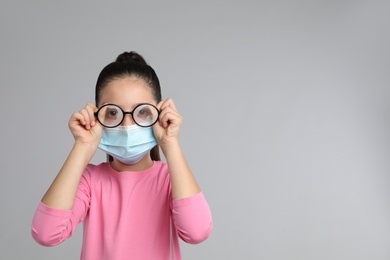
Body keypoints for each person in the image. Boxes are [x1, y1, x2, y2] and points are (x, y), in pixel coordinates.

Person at [31, 51, 213, 260]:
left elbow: (197, 232)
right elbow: (46, 234)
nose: (127, 125)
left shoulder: (171, 179)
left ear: (159, 115)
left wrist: (170, 144)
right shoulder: (89, 182)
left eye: (142, 112)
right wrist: (83, 145)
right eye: (113, 112)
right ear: (97, 117)